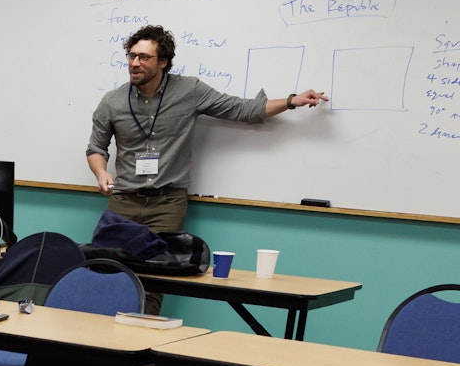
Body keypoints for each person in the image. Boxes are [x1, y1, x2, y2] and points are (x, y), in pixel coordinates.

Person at [87, 25, 327, 236]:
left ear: (162, 62)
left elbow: (241, 109)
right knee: (112, 269)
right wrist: (100, 173)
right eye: (131, 56)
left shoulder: (189, 91)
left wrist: (290, 101)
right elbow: (96, 148)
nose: (134, 63)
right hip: (124, 200)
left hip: (168, 203)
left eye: (143, 57)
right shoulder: (113, 101)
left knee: (156, 274)